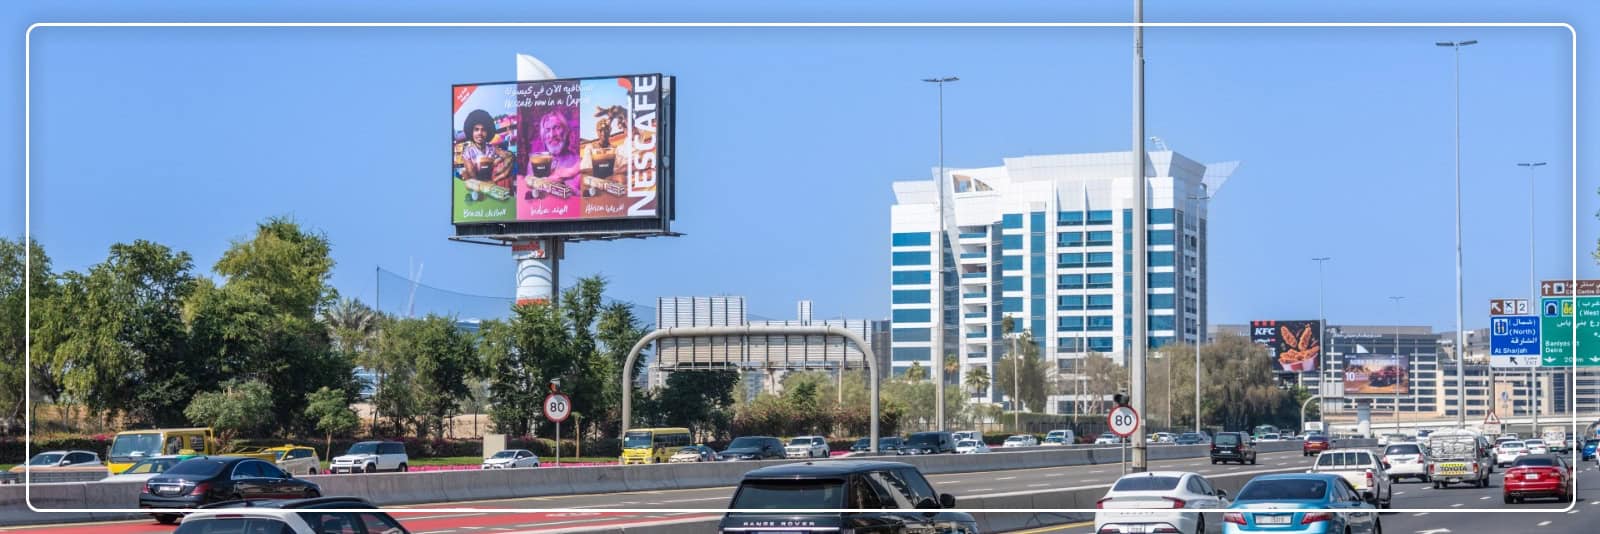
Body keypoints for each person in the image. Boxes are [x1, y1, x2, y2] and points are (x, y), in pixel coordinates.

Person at [524, 109, 581, 196]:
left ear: (566, 131)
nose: (552, 135)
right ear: (543, 135)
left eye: (557, 128)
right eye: (547, 130)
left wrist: (565, 189)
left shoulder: (578, 162)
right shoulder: (534, 162)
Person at [459, 109, 511, 188]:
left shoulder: (492, 148)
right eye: (476, 129)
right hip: (477, 186)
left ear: (488, 132)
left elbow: (506, 155)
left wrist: (505, 158)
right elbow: (472, 175)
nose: (480, 133)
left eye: (483, 130)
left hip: (492, 183)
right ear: (471, 132)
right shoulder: (468, 152)